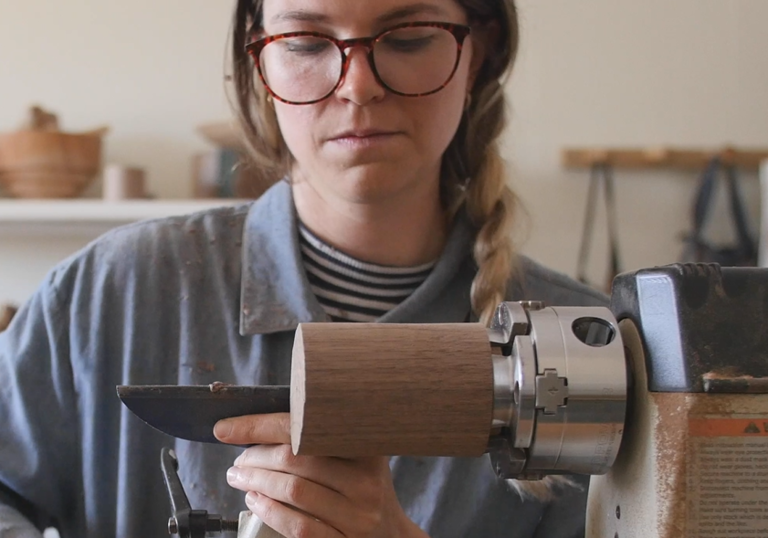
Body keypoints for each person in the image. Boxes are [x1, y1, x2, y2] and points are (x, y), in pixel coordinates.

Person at [0, 0, 608, 537]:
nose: (359, 86)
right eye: (306, 43)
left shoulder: (588, 349)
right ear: (260, 66)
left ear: (480, 52)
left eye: (409, 37)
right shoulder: (110, 290)